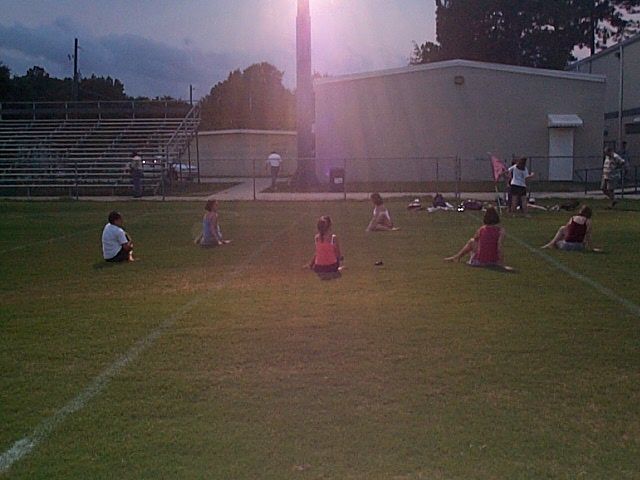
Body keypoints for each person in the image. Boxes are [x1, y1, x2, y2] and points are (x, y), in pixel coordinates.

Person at [444, 206, 513, 270]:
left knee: (471, 242)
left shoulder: (482, 229)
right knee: (473, 242)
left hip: (480, 261)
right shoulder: (500, 230)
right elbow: (499, 247)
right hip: (493, 261)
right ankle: (457, 257)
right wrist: (501, 263)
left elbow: (475, 239)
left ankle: (457, 257)